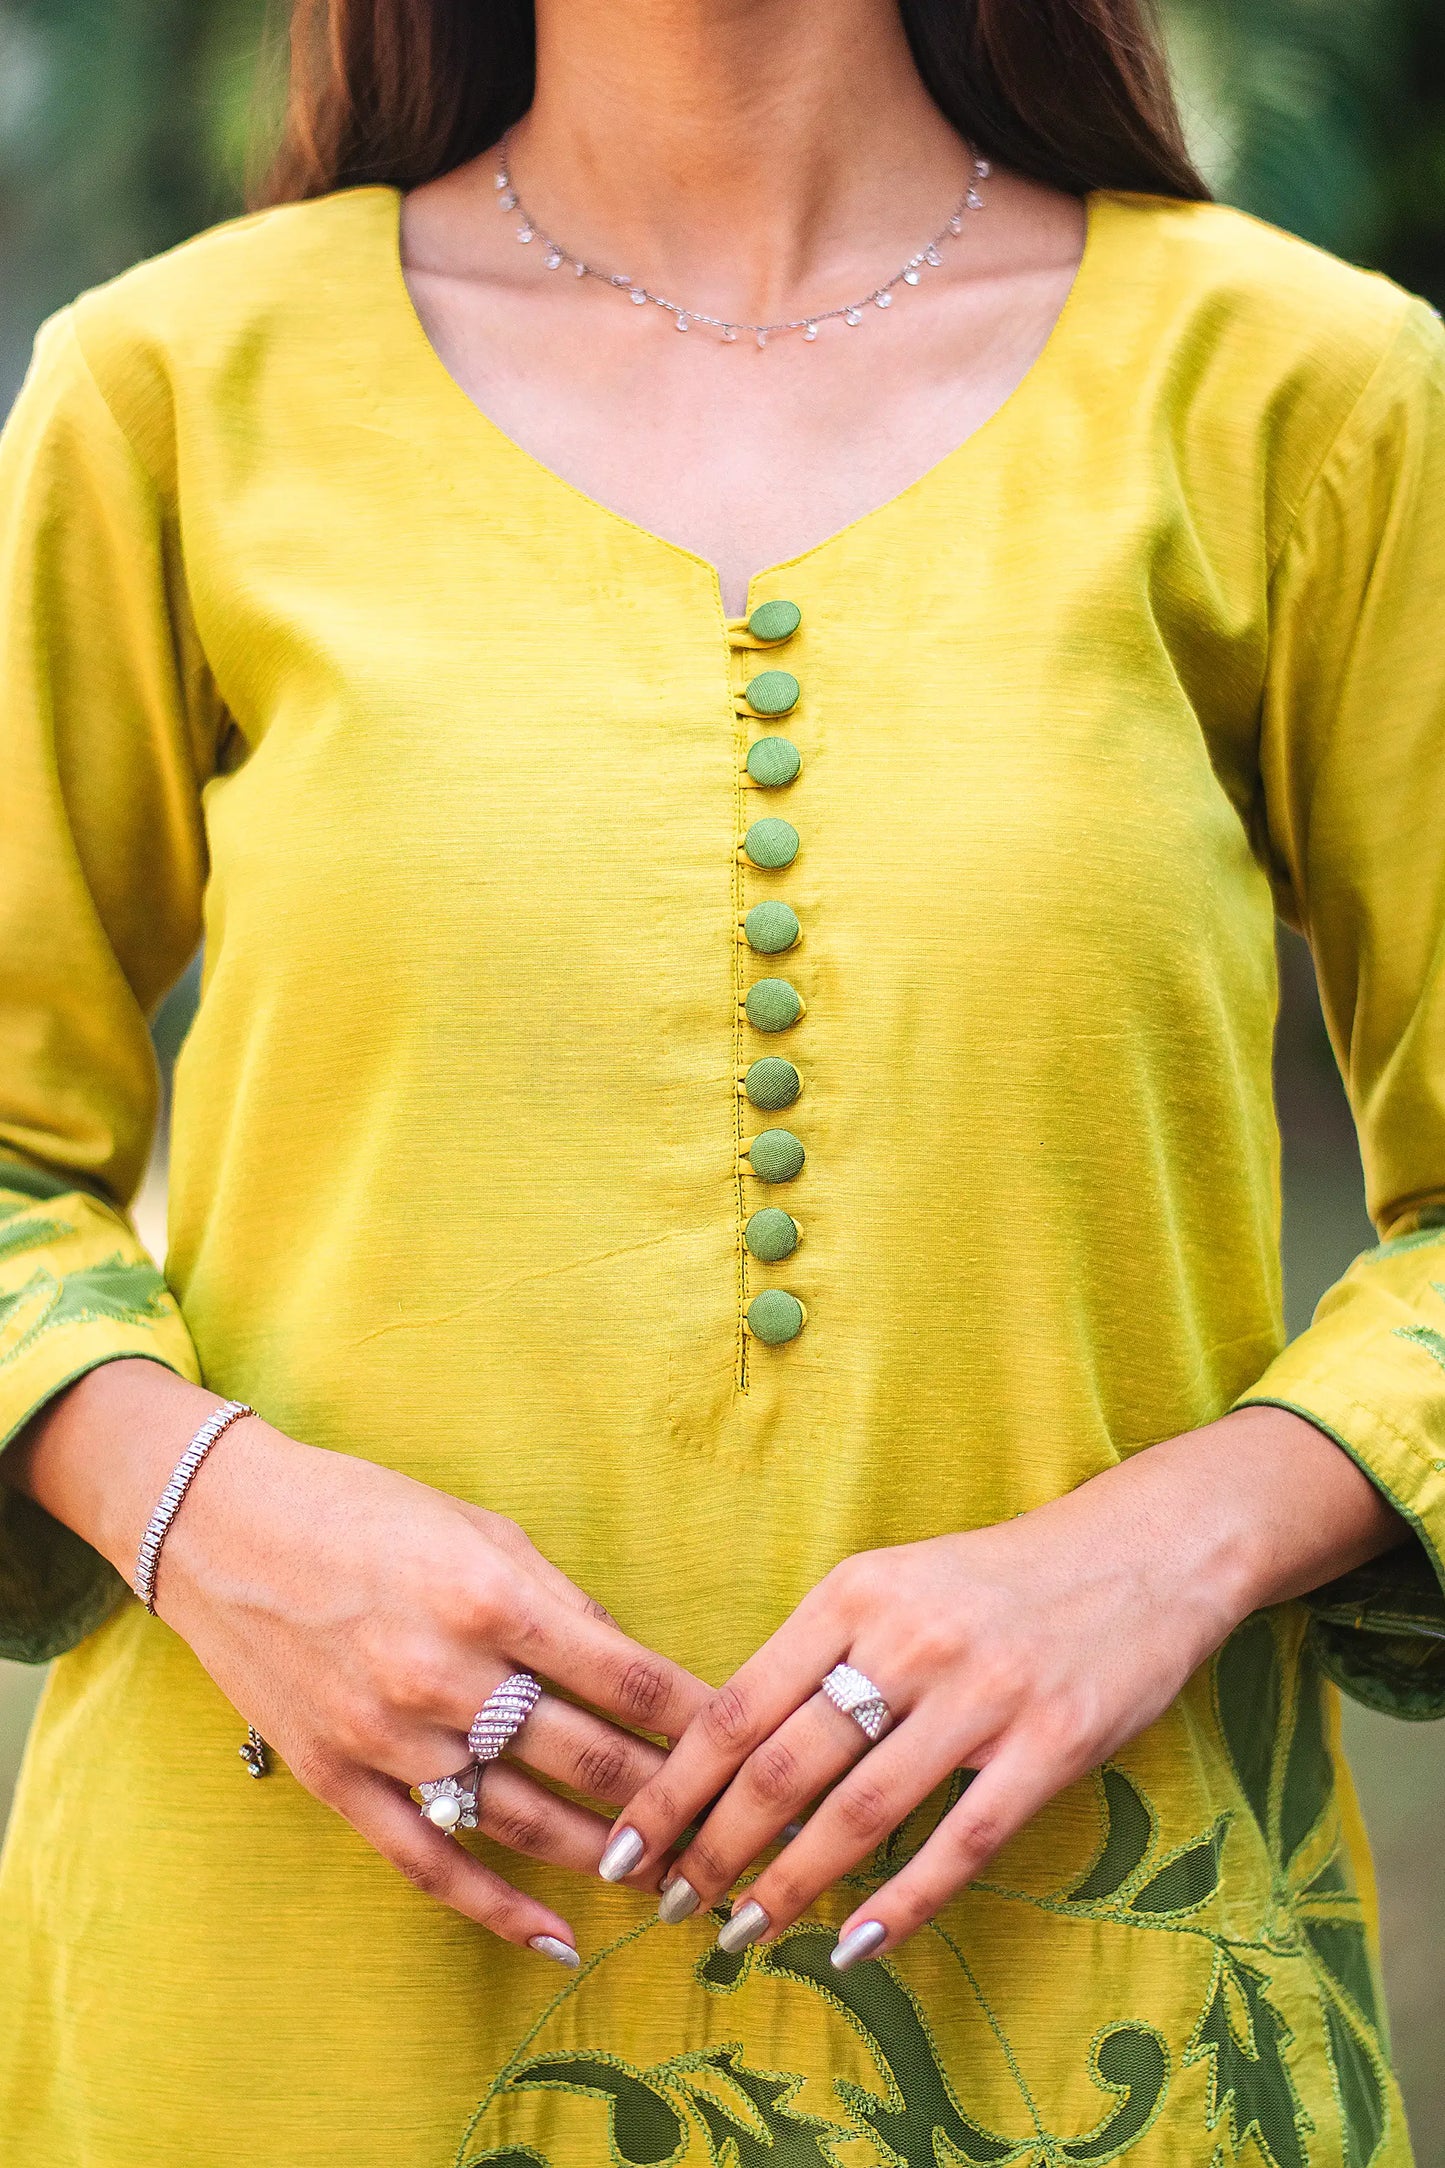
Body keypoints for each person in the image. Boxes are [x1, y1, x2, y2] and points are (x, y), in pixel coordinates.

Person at [0, 0, 1441, 2159]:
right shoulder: (171, 393)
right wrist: (211, 1513)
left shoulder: (1307, 398)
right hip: (288, 1996)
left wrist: (1163, 1551)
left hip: (1103, 1991)